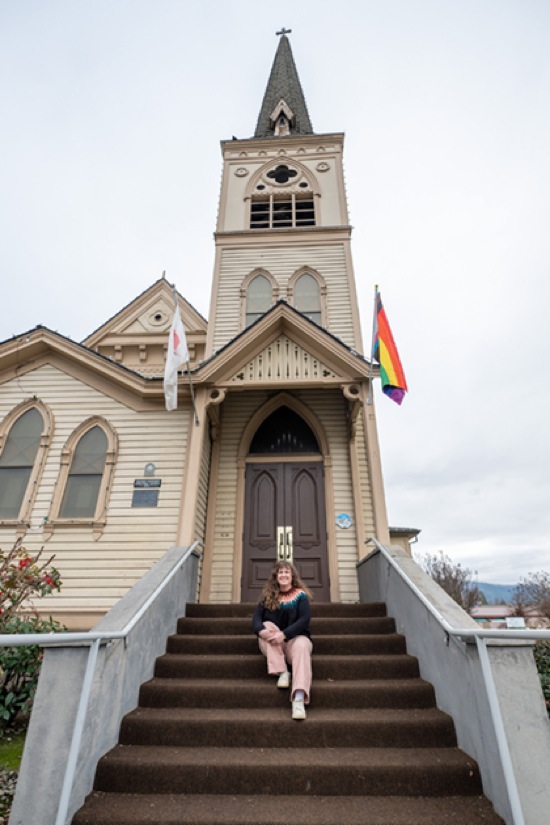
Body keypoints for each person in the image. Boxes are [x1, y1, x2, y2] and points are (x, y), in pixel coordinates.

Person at [252, 560, 313, 720]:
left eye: (287, 572)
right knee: (266, 625)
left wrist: (284, 634)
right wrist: (262, 631)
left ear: (292, 576)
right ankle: (282, 671)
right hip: (273, 645)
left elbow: (304, 620)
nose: (284, 575)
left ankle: (298, 698)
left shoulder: (300, 596)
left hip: (294, 642)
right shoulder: (267, 596)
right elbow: (256, 620)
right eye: (280, 572)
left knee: (302, 644)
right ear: (276, 576)